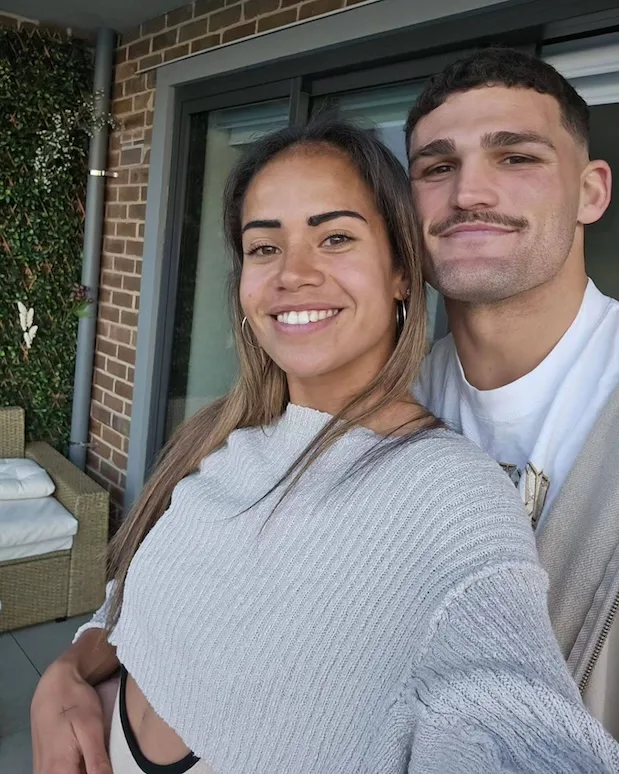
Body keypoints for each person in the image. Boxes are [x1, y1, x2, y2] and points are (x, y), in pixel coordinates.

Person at [30, 119, 619, 773]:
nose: (292, 274)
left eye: (334, 237)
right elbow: (134, 598)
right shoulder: (217, 438)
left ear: (401, 272)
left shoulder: (450, 499)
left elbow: (510, 719)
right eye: (263, 248)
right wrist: (65, 671)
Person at [408, 47, 619, 738]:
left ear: (590, 191)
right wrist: (88, 654)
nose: (468, 192)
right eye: (436, 167)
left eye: (516, 157)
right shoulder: (378, 403)